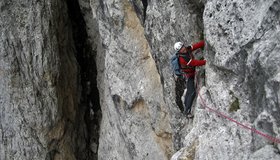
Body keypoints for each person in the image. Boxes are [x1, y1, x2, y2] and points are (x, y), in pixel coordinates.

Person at [173, 40, 206, 118]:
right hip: (188, 76)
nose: (183, 49)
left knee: (189, 91)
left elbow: (195, 46)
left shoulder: (187, 49)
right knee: (192, 92)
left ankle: (186, 105)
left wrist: (204, 42)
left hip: (191, 73)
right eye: (181, 49)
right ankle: (187, 111)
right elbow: (194, 63)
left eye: (183, 47)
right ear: (179, 51)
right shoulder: (182, 59)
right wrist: (204, 62)